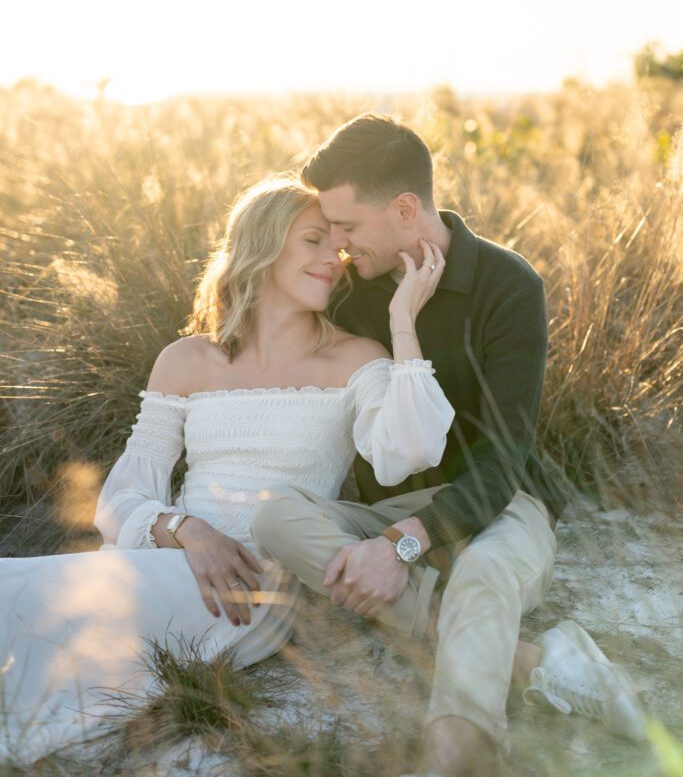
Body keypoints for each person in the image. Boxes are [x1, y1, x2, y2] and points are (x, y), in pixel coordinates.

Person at [0, 175, 457, 767]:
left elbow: (410, 450)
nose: (333, 260)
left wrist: (402, 326)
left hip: (251, 588)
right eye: (313, 241)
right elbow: (121, 498)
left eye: (337, 248)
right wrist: (187, 530)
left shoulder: (353, 359)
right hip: (168, 559)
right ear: (262, 249)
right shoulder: (188, 359)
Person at [249, 116, 646, 777]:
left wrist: (401, 545)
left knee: (481, 573)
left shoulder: (506, 285)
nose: (337, 244)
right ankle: (535, 661)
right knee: (275, 517)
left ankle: (454, 756)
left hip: (501, 502)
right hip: (393, 509)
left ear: (405, 209)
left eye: (346, 226)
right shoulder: (351, 293)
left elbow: (502, 460)